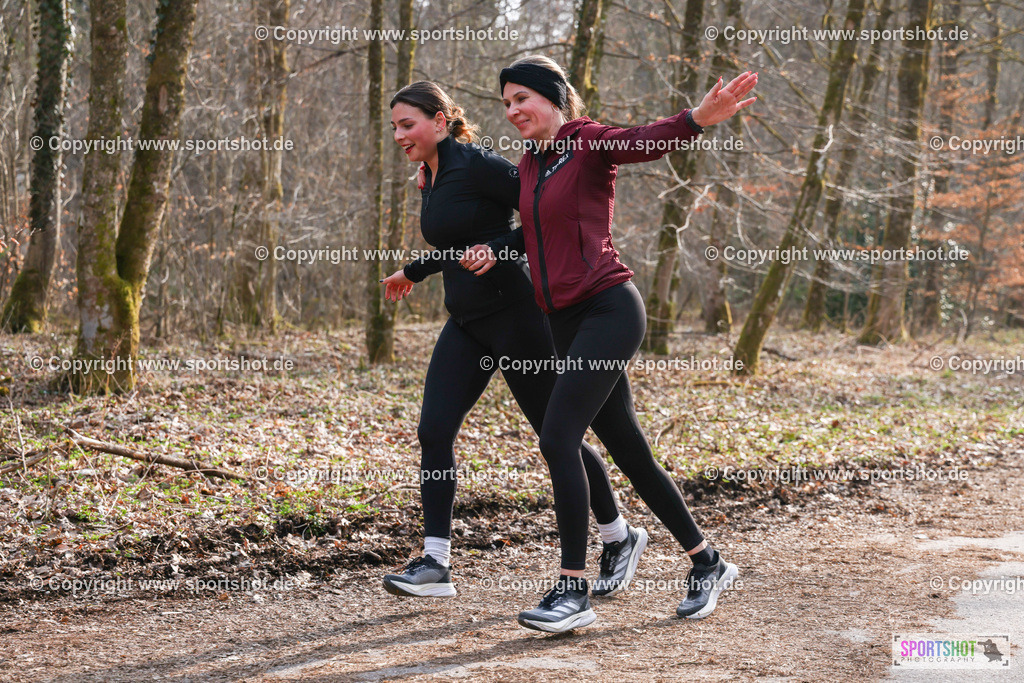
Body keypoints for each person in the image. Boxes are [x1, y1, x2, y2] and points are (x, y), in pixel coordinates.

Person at [460, 56, 757, 632]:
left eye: (522, 98)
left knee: (558, 437)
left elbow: (644, 140)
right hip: (564, 321)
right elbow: (537, 230)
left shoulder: (589, 142)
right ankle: (708, 562)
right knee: (628, 450)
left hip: (609, 308)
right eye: (506, 103)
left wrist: (696, 119)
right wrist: (500, 248)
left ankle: (572, 591)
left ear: (553, 98)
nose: (513, 110)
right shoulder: (530, 165)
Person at [378, 81, 647, 603]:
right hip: (466, 322)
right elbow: (459, 245)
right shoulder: (429, 174)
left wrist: (497, 248)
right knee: (433, 431)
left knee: (557, 435)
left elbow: (540, 221)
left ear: (440, 121)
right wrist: (414, 270)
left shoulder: (480, 165)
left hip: (516, 318)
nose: (398, 135)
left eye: (407, 124)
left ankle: (618, 535)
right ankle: (436, 562)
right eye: (394, 127)